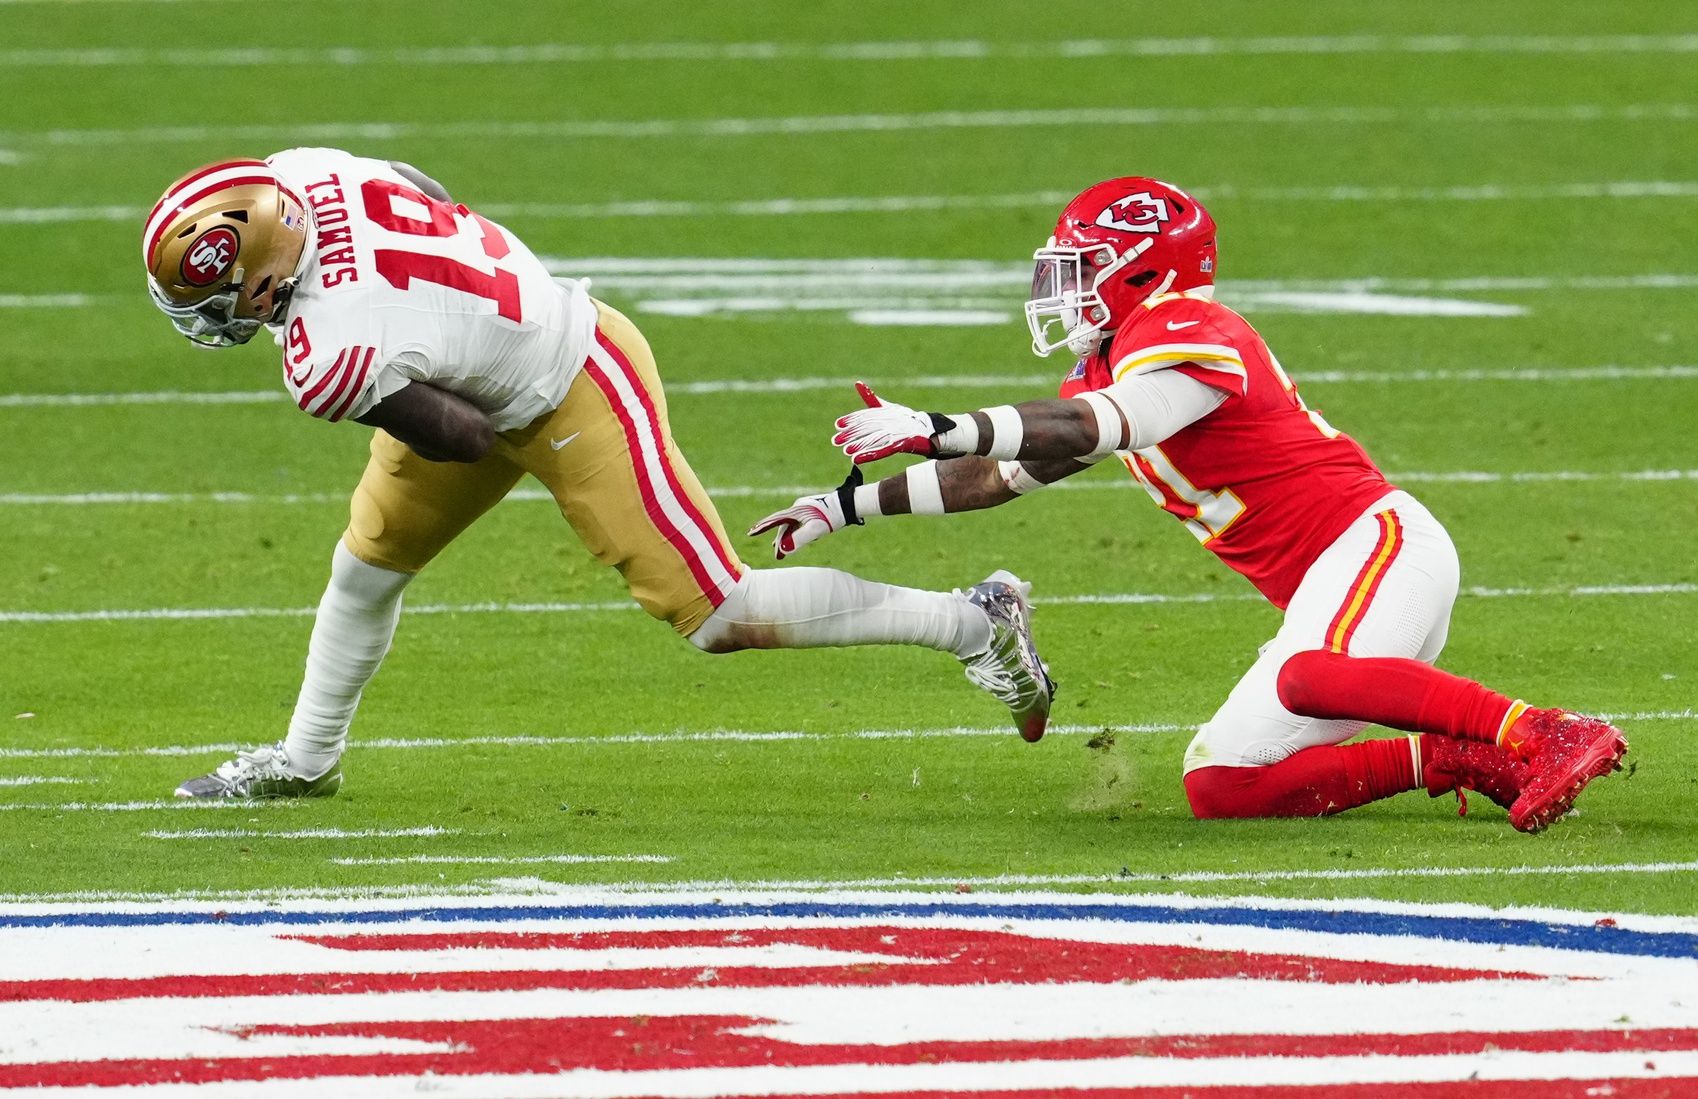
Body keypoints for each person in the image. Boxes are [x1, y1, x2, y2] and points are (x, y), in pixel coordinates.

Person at [142, 149, 1054, 799]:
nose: (214, 318)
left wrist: (394, 371)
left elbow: (462, 437)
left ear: (264, 268)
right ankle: (308, 761)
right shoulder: (305, 171)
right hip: (474, 364)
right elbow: (427, 189)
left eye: (219, 297)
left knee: (719, 615)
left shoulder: (331, 347)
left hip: (573, 378)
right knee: (365, 564)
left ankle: (976, 620)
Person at [752, 177, 1626, 833]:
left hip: (1377, 547)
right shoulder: (1114, 361)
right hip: (1336, 585)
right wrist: (847, 506)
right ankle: (1456, 756)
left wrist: (941, 424)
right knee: (1223, 784)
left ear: (1142, 273)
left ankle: (1546, 729)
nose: (1063, 288)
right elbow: (1002, 474)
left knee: (1306, 673)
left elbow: (1100, 422)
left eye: (1084, 268)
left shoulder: (1187, 335)